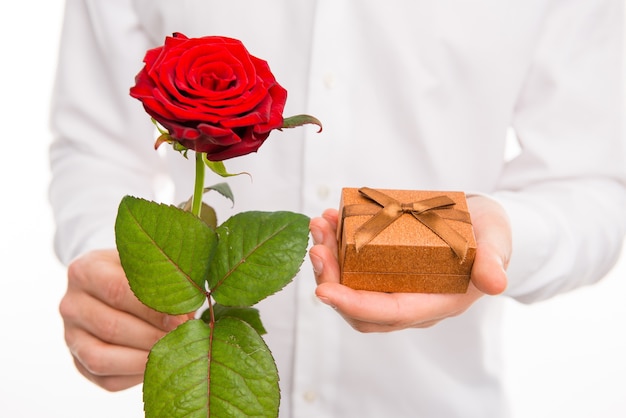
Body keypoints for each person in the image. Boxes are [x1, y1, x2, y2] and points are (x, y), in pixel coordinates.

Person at [49, 1, 626, 417]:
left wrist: (501, 234)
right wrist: (108, 263)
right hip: (196, 379)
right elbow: (95, 143)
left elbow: (589, 182)